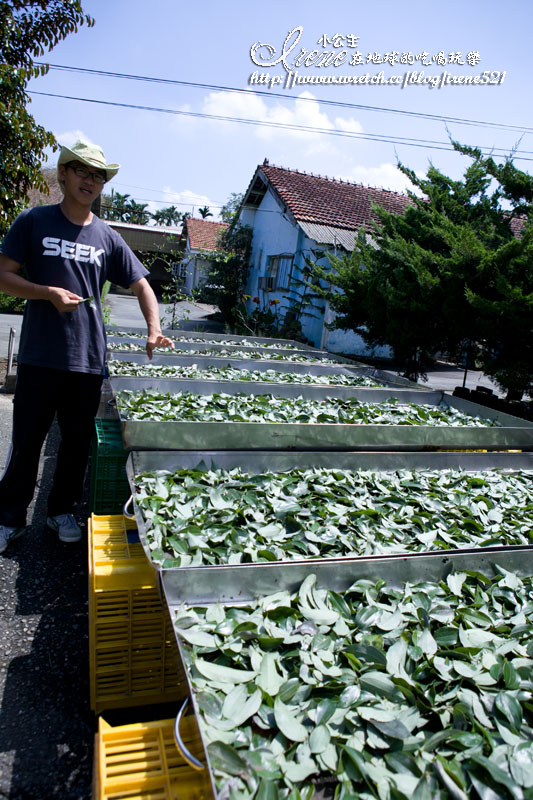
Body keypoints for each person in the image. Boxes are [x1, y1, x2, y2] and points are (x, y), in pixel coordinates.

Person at [0, 139, 174, 553]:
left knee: (77, 443)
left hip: (87, 360)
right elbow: (3, 275)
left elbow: (142, 284)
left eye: (98, 176)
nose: (90, 181)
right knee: (27, 441)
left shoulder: (107, 237)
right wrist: (46, 293)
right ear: (64, 173)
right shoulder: (34, 221)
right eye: (83, 171)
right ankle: (9, 518)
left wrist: (153, 326)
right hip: (41, 355)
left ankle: (61, 512)